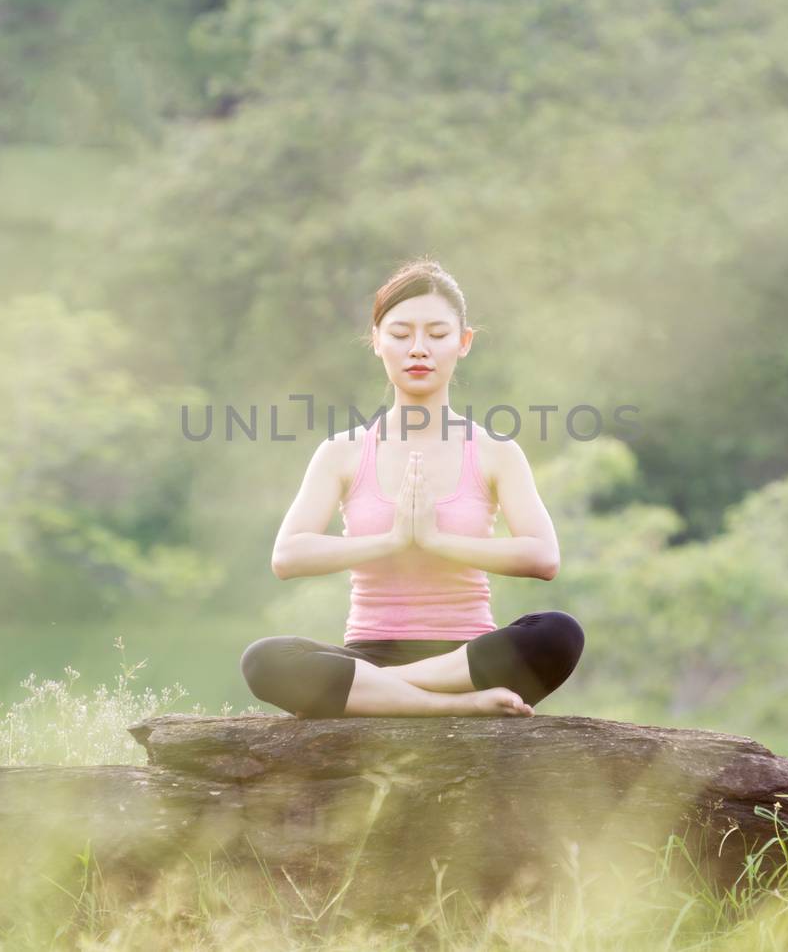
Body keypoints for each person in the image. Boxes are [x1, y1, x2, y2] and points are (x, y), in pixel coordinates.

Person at [241, 258, 585, 718]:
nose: (418, 349)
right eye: (401, 335)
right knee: (264, 660)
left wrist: (435, 540)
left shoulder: (493, 451)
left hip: (467, 660)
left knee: (559, 633)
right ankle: (452, 707)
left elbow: (543, 557)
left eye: (437, 335)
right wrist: (392, 540)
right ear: (377, 342)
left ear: (463, 343)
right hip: (366, 656)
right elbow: (288, 557)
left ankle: (387, 694)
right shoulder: (343, 452)